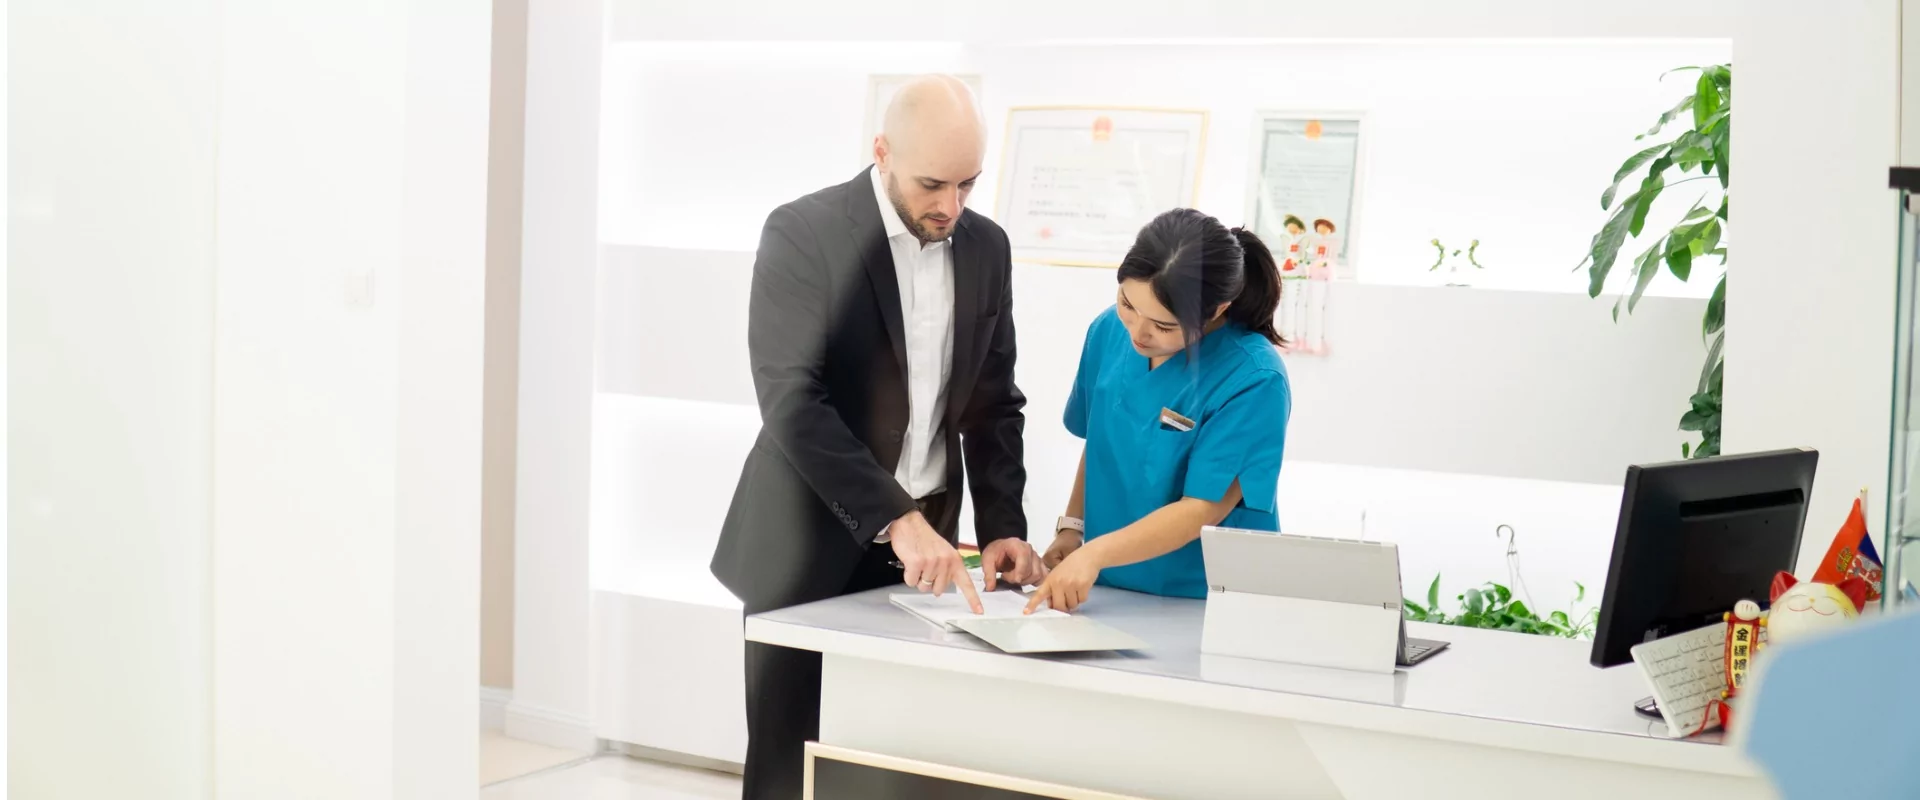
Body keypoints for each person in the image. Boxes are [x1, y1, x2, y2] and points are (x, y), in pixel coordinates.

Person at [710, 74, 1045, 799]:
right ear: (882, 152)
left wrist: (1004, 528)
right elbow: (793, 400)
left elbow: (993, 402)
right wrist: (897, 516)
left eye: (968, 184)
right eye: (932, 184)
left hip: (928, 552)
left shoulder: (987, 247)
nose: (950, 206)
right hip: (805, 539)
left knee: (900, 753)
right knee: (787, 756)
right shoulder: (803, 233)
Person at [1027, 208, 1292, 613]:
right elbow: (1103, 441)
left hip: (1207, 598)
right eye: (1127, 304)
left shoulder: (1253, 378)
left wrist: (1094, 554)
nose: (1138, 333)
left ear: (1218, 309)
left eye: (1165, 326)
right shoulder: (1108, 332)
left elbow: (1202, 508)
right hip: (1109, 590)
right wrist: (1073, 529)